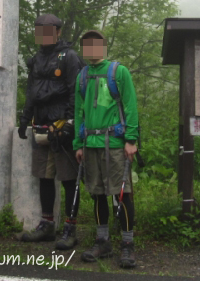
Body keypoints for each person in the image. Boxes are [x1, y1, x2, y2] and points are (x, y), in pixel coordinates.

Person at [73, 30, 139, 268]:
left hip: (114, 144)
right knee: (98, 193)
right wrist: (77, 144)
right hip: (90, 145)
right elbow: (78, 112)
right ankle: (103, 241)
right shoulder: (82, 75)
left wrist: (131, 139)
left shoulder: (118, 72)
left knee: (121, 194)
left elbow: (130, 106)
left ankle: (128, 245)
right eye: (86, 45)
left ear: (103, 46)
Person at [18, 14, 83, 250]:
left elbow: (75, 91)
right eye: (39, 30)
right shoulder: (36, 59)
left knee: (68, 178)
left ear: (57, 31)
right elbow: (31, 91)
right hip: (42, 124)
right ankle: (47, 225)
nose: (43, 34)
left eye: (47, 30)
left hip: (62, 125)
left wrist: (71, 123)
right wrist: (25, 119)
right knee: (44, 176)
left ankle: (70, 227)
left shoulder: (69, 56)